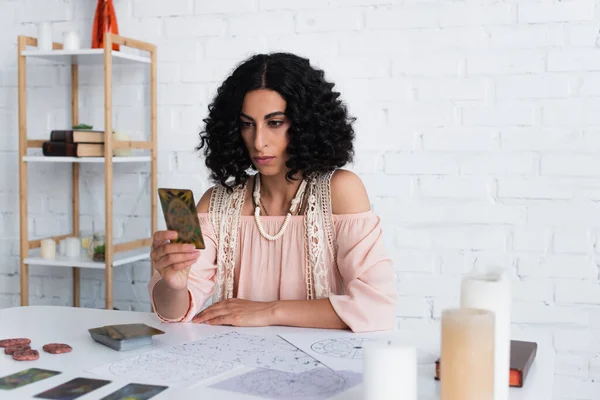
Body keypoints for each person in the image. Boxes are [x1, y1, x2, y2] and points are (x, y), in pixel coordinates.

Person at [148, 52, 397, 333]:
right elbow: (175, 314)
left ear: (306, 123)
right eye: (247, 124)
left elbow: (377, 308)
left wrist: (268, 311)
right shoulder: (214, 203)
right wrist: (173, 285)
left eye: (275, 122)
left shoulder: (340, 190)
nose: (259, 141)